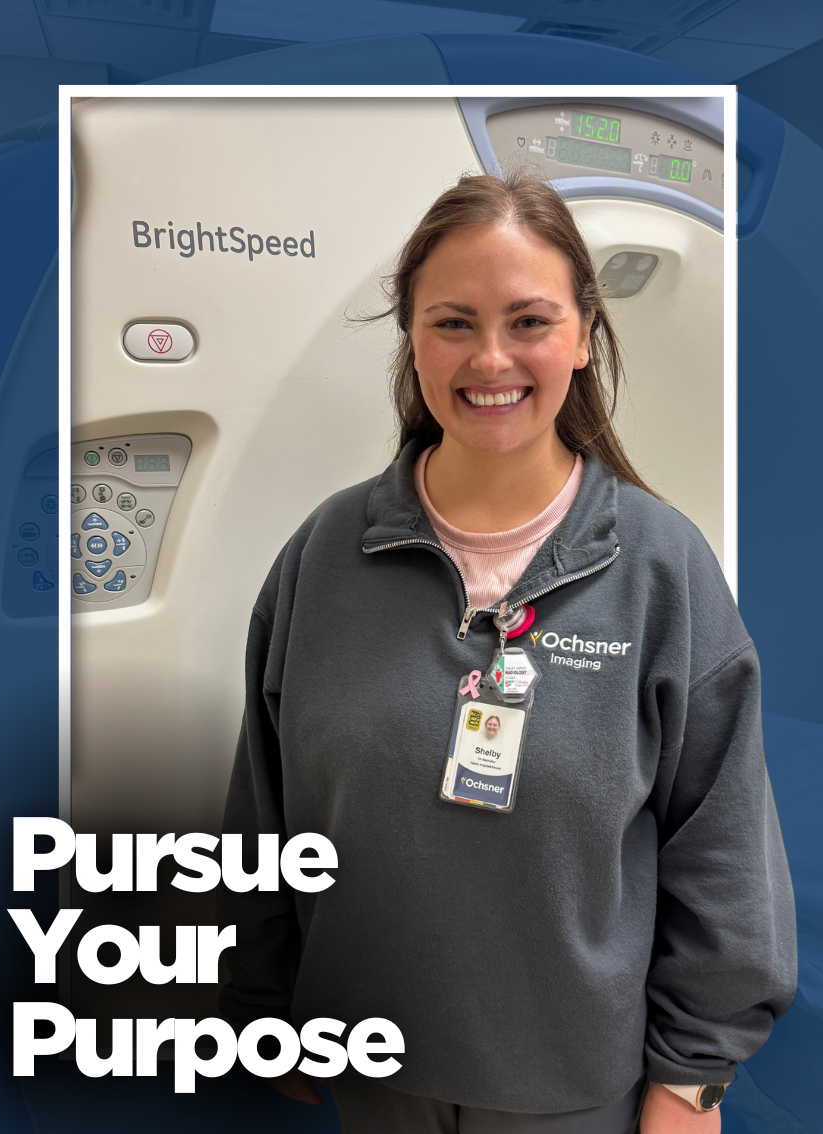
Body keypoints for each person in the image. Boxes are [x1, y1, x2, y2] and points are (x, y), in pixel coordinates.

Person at [217, 172, 796, 1133]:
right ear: (410, 332)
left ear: (581, 332)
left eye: (529, 321)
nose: (490, 359)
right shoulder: (325, 554)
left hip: (569, 1085)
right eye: (453, 322)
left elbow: (722, 844)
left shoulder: (660, 568)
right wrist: (255, 999)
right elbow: (263, 801)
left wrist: (693, 1074)